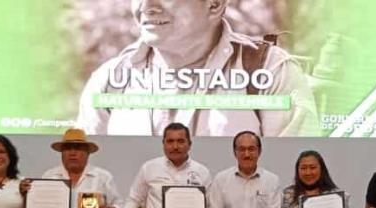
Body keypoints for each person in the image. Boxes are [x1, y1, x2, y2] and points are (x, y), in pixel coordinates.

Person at [76, 0, 318, 137]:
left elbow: (294, 179)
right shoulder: (110, 79)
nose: (146, 6)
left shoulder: (270, 70)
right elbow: (87, 178)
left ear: (215, 5)